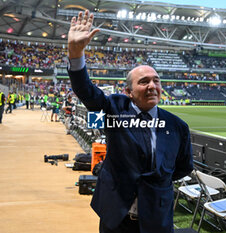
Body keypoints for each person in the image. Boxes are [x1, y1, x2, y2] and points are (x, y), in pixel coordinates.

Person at [67, 10, 193, 233]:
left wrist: (153, 183)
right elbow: (86, 92)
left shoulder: (177, 126)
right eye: (144, 82)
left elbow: (183, 167)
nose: (152, 86)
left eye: (156, 81)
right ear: (128, 91)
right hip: (116, 216)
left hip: (157, 218)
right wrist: (76, 53)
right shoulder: (115, 108)